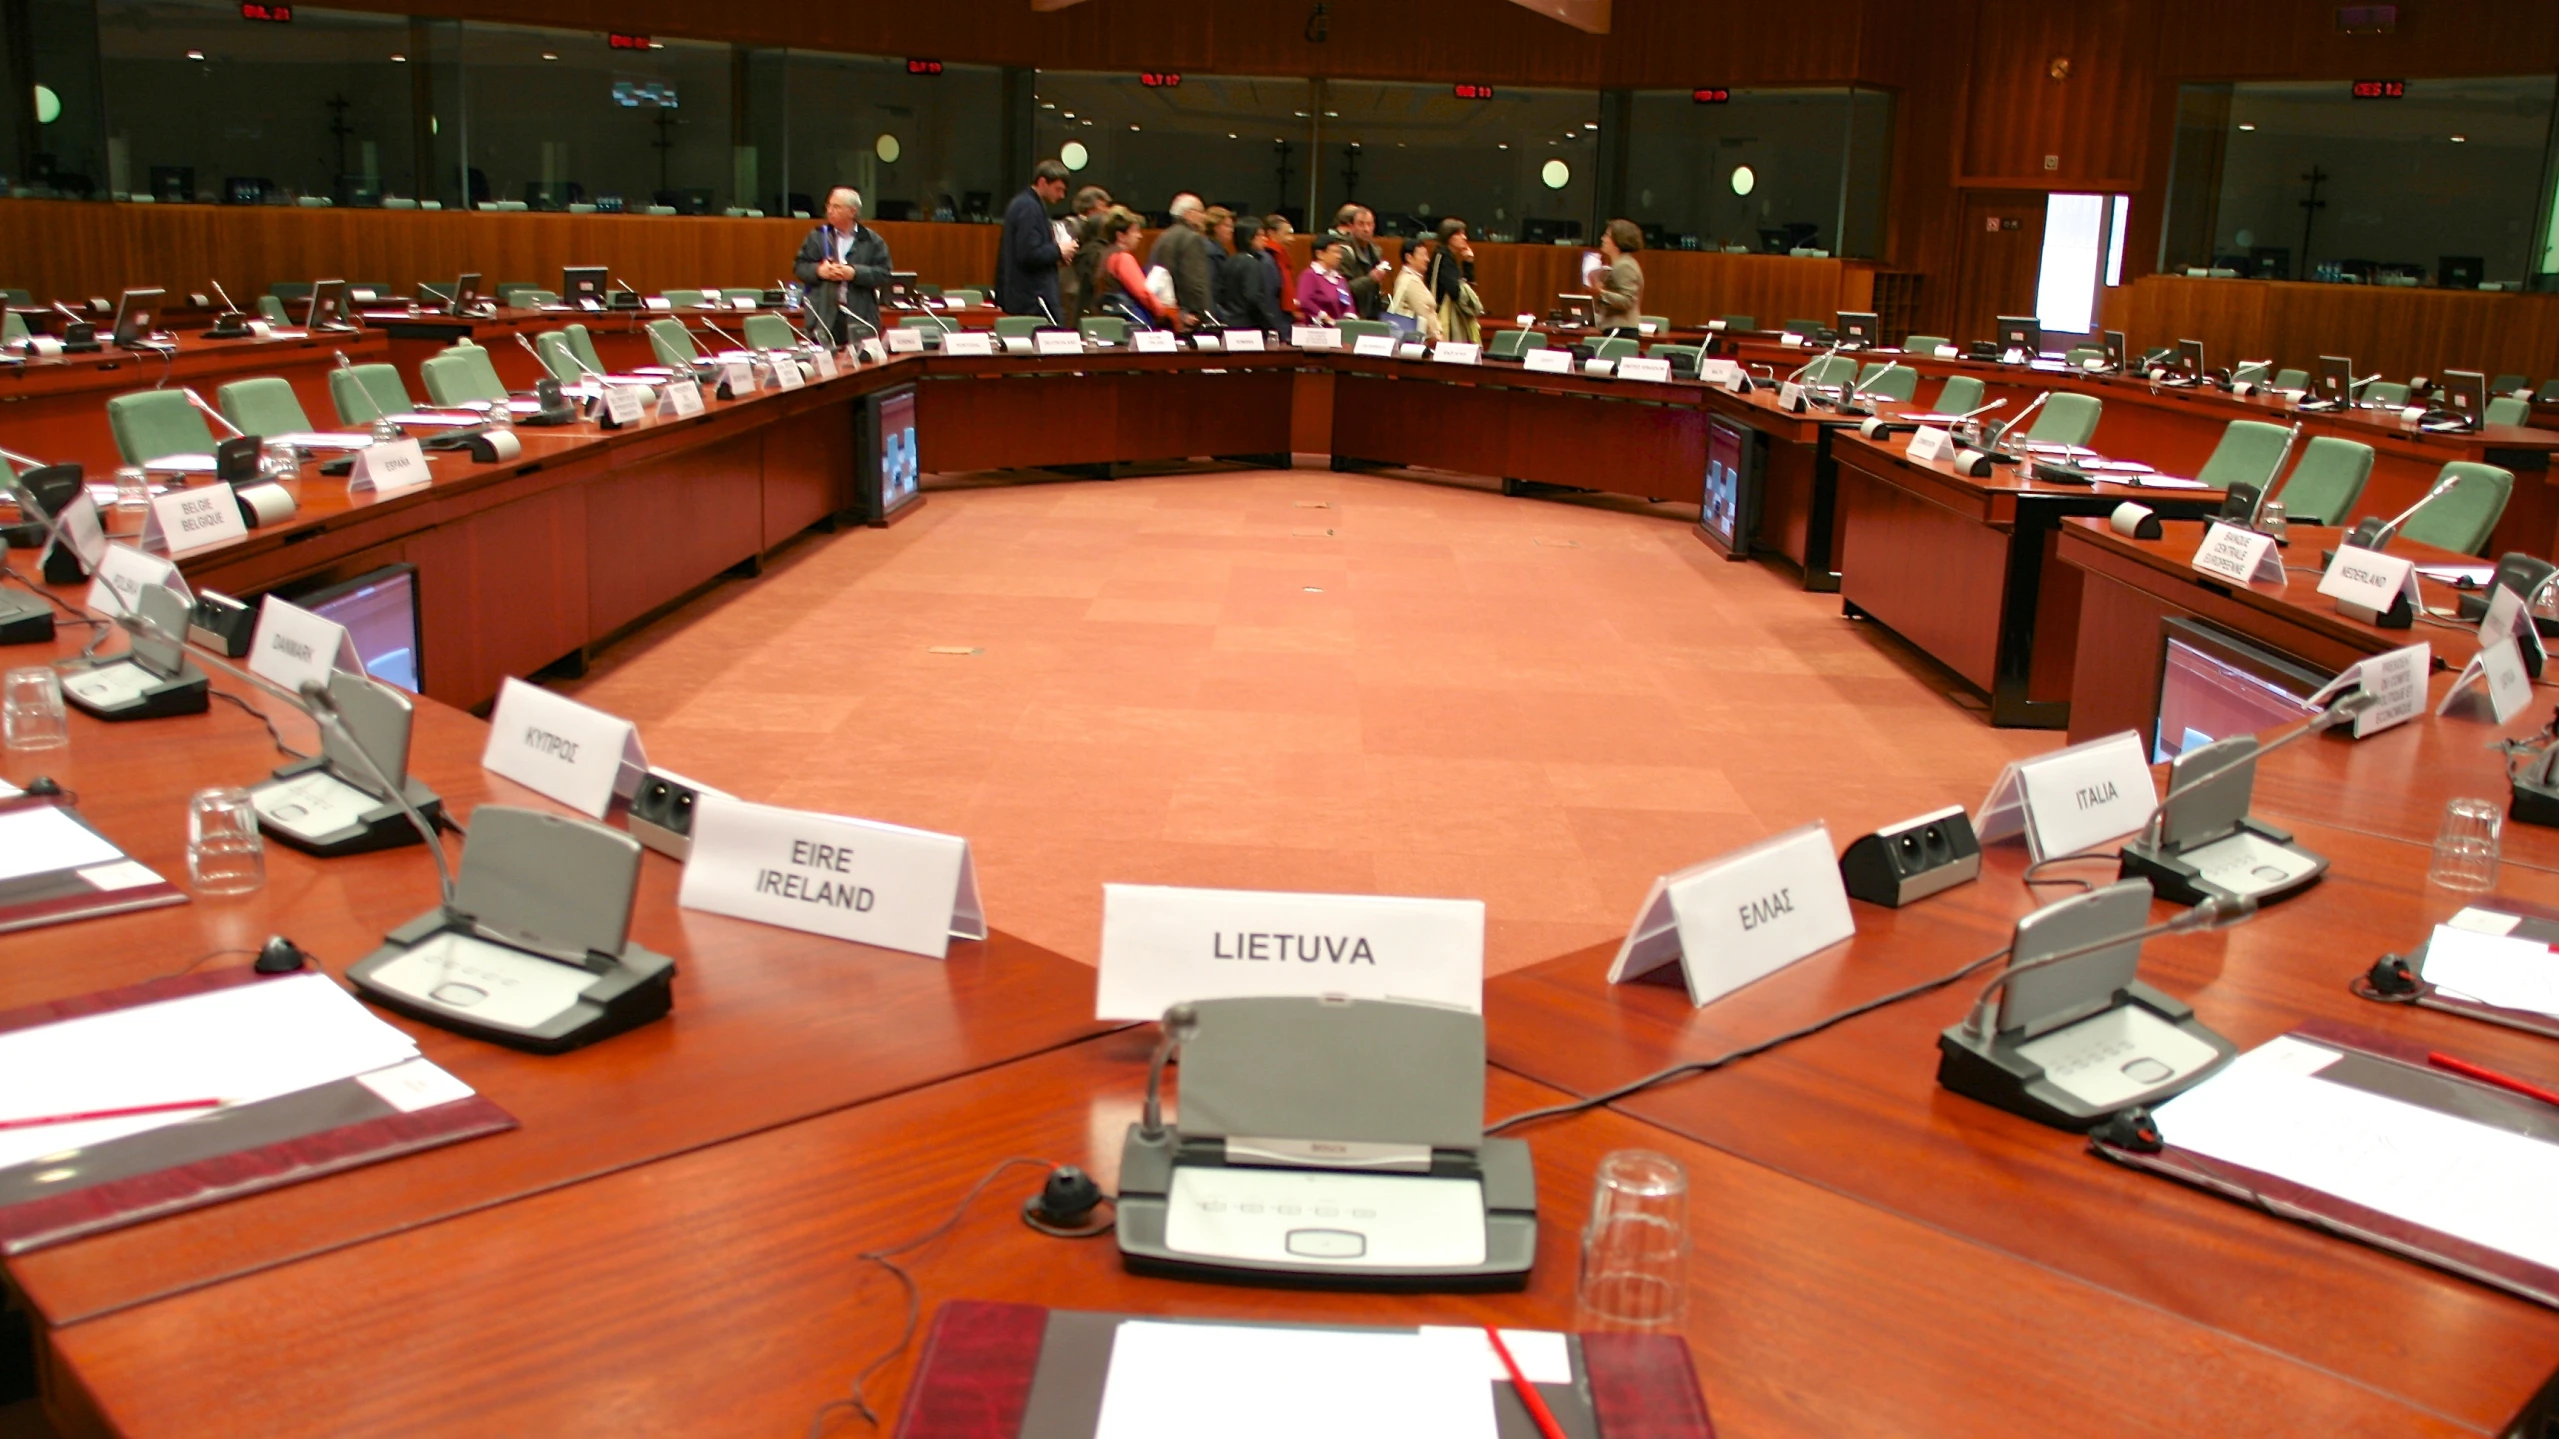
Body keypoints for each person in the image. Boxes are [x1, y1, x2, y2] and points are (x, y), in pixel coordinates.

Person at [790, 185, 892, 348]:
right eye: (828, 206)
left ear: (852, 212)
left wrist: (854, 273)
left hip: (859, 316)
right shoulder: (817, 237)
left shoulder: (872, 241)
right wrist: (819, 271)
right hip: (823, 316)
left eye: (836, 206)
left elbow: (884, 274)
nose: (829, 211)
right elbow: (799, 267)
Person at [996, 159, 1075, 320]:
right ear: (1042, 182)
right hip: (1032, 301)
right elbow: (1028, 253)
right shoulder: (1029, 207)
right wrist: (1059, 250)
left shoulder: (1026, 204)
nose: (1062, 195)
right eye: (1058, 189)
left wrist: (1057, 257)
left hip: (1025, 296)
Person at [1087, 206, 1180, 329]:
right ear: (1120, 236)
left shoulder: (1104, 255)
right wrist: (1163, 312)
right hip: (1128, 322)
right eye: (1135, 231)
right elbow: (1143, 293)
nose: (1139, 236)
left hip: (1107, 320)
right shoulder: (1122, 258)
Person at [1147, 193, 1216, 322]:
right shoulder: (1192, 238)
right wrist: (1205, 315)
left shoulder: (1163, 236)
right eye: (1201, 212)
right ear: (1188, 213)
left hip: (1166, 312)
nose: (1204, 217)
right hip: (1188, 317)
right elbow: (1195, 283)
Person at [1216, 215, 1286, 333]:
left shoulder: (1230, 260)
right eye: (1260, 235)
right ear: (1249, 238)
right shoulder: (1252, 263)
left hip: (1229, 323)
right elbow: (1253, 298)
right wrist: (1271, 324)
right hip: (1248, 327)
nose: (1264, 239)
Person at [1059, 185, 1114, 322]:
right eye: (1103, 206)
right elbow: (1067, 253)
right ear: (1090, 208)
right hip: (1073, 287)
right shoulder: (1069, 225)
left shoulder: (1101, 228)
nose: (1107, 210)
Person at [1426, 217, 1480, 345]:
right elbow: (1458, 293)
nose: (1465, 238)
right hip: (1444, 322)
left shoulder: (1446, 257)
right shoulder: (1444, 258)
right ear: (1448, 236)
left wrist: (1468, 263)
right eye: (1459, 234)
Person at [1333, 204, 1392, 320]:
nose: (1366, 229)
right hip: (1351, 316)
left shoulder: (1376, 251)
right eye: (1361, 224)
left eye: (1369, 224)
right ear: (1352, 226)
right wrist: (1371, 279)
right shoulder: (1344, 252)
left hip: (1372, 314)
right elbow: (1342, 290)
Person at [1387, 233, 1442, 343]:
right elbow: (1423, 313)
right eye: (1423, 255)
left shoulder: (1407, 278)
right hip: (1418, 342)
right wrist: (1437, 339)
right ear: (1409, 257)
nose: (1427, 259)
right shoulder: (1411, 280)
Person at [1595, 218, 1645, 338]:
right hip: (1617, 329)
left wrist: (1601, 293)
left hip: (1622, 330)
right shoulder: (1620, 264)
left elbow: (1627, 300)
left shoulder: (1624, 265)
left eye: (1607, 235)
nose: (1603, 239)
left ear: (1619, 240)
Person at [1296, 232, 1355, 324]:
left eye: (1340, 252)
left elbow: (1348, 303)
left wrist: (1350, 319)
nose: (1339, 256)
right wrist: (1324, 317)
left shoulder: (1339, 279)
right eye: (1335, 252)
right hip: (1316, 329)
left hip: (1339, 329)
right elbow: (1304, 301)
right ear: (1320, 254)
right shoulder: (1310, 275)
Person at [1261, 213, 1301, 319]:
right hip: (1275, 317)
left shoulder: (1281, 256)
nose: (1292, 239)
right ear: (1272, 233)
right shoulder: (1267, 258)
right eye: (1287, 234)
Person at [1201, 206, 1235, 321]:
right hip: (1214, 314)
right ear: (1215, 226)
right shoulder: (1211, 253)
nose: (1231, 230)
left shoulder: (1217, 250)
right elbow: (1210, 289)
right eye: (1227, 226)